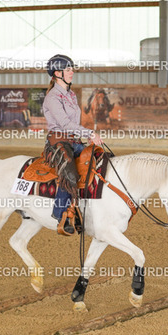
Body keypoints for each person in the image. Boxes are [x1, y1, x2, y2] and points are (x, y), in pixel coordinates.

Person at [42, 54, 103, 235]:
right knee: (69, 174)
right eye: (68, 69)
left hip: (74, 141)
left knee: (100, 160)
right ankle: (61, 214)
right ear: (57, 73)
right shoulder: (53, 97)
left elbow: (74, 124)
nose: (72, 72)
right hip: (58, 142)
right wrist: (89, 133)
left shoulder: (71, 95)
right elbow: (65, 124)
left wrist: (84, 136)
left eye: (71, 69)